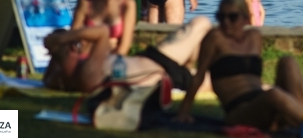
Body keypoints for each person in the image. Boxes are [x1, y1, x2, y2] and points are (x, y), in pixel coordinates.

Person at [177, 0, 303, 130]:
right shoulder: (215, 38)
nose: (226, 22)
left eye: (232, 17)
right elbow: (199, 75)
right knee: (273, 94)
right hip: (239, 111)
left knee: (288, 61)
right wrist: (184, 111)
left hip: (261, 102)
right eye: (221, 17)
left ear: (245, 18)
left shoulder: (254, 37)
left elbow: (252, 78)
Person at [43, 16, 212, 93]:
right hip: (164, 73)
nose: (77, 48)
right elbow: (102, 31)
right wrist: (64, 37)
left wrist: (57, 46)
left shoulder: (55, 78)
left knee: (201, 24)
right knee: (202, 23)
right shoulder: (87, 74)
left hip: (152, 58)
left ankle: (189, 65)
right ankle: (190, 67)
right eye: (74, 45)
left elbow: (48, 75)